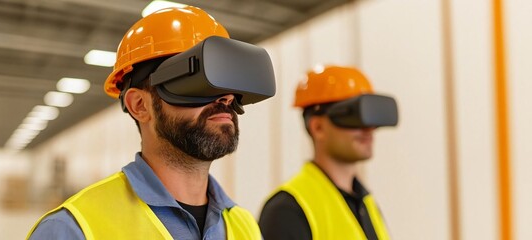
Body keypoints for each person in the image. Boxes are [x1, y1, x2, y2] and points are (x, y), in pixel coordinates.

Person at [27, 5, 276, 240]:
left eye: (227, 81)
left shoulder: (245, 227)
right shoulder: (72, 230)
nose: (226, 97)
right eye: (199, 81)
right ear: (140, 106)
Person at [258, 66, 398, 240]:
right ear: (318, 128)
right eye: (355, 118)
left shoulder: (366, 202)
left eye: (370, 117)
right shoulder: (286, 210)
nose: (368, 129)